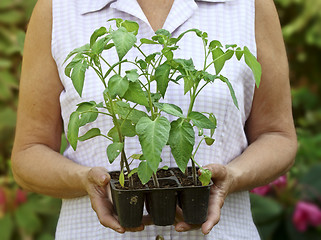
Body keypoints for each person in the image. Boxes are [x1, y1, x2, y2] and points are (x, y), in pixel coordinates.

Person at [11, 0, 297, 239]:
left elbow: (278, 136)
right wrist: (86, 180)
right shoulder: (59, 7)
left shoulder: (249, 5)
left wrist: (232, 177)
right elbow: (28, 154)